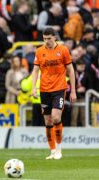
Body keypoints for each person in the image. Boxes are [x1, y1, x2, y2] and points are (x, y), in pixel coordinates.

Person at [31, 27, 76, 160]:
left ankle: (59, 149)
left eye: (49, 38)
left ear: (55, 37)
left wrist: (72, 90)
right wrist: (34, 87)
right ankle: (52, 151)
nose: (46, 41)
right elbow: (35, 71)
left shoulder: (63, 50)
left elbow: (71, 71)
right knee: (48, 120)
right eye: (44, 39)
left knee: (56, 117)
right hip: (44, 89)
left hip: (59, 89)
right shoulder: (39, 51)